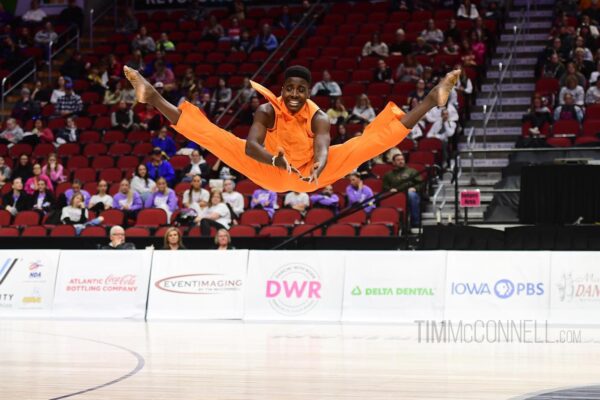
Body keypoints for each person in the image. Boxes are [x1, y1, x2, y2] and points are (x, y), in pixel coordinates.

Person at [123, 64, 460, 193]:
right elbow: (251, 144)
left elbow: (325, 144)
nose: (295, 94)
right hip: (270, 169)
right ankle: (152, 97)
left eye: (301, 89)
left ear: (308, 93)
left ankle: (431, 99)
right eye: (290, 89)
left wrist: (319, 163)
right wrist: (272, 161)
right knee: (215, 137)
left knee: (368, 143)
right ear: (282, 90)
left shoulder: (319, 116)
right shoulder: (268, 109)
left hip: (312, 174)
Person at [383, 153, 423, 227]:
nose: (401, 161)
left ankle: (415, 222)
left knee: (412, 195)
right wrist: (390, 189)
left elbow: (420, 183)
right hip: (395, 194)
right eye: (398, 160)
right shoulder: (388, 174)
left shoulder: (412, 171)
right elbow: (384, 187)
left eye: (402, 159)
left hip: (408, 192)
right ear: (393, 162)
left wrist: (414, 188)